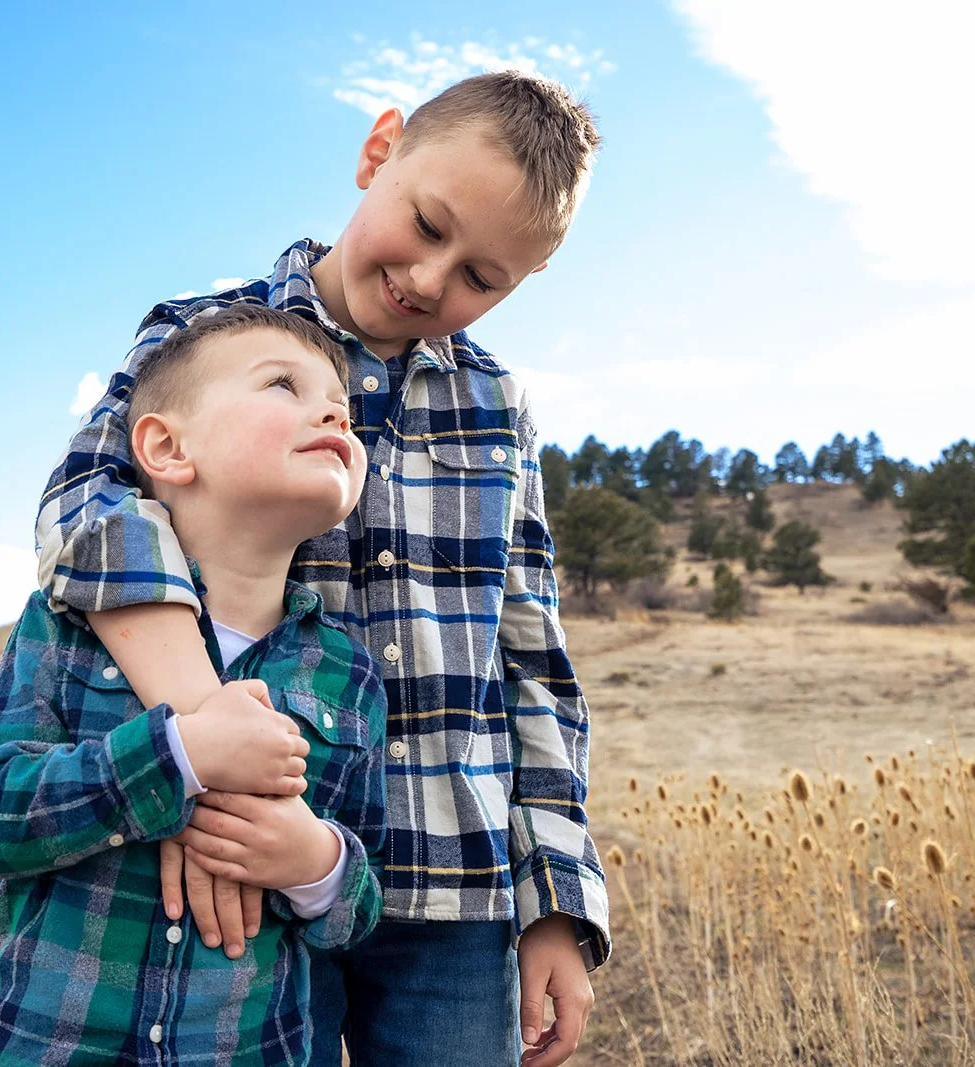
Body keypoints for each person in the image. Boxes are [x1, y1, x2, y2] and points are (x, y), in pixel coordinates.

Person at [35, 70, 611, 1067]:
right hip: (253, 864)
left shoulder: (497, 405)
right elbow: (84, 512)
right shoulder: (209, 339)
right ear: (379, 150)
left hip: (453, 885)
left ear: (528, 278)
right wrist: (213, 743)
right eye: (425, 224)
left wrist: (556, 901)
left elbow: (531, 655)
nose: (430, 278)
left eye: (481, 278)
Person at [0, 305, 389, 1066]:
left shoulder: (347, 674)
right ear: (166, 448)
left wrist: (314, 862)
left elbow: (359, 903)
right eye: (282, 385)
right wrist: (177, 755)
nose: (333, 414)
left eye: (341, 406)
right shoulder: (67, 624)